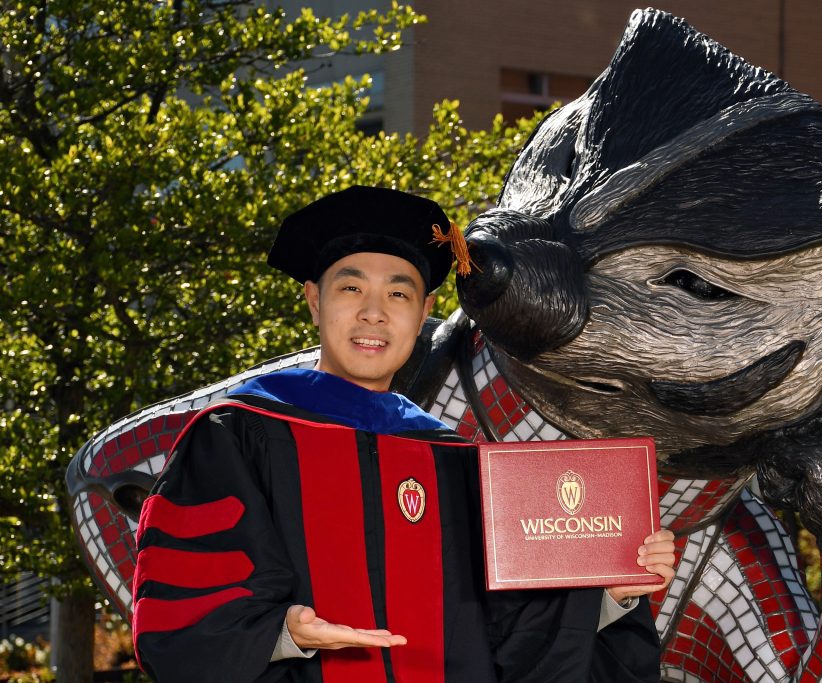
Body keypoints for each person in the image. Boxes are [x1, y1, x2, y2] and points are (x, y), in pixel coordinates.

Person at [131, 186, 675, 682]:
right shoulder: (239, 436)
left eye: (398, 294)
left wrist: (610, 595)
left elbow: (516, 630)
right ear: (314, 301)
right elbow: (181, 618)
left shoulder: (456, 462)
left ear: (424, 314)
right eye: (350, 288)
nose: (373, 313)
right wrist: (282, 634)